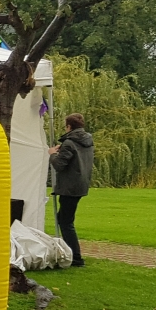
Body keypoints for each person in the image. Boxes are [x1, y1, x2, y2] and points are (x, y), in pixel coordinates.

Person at [48, 113, 94, 267]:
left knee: (66, 221)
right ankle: (72, 253)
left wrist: (53, 154)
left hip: (70, 186)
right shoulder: (87, 141)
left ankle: (76, 257)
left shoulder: (69, 143)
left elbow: (59, 165)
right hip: (80, 185)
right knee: (64, 218)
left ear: (69, 126)